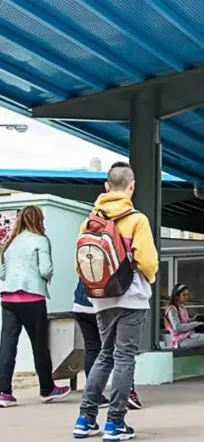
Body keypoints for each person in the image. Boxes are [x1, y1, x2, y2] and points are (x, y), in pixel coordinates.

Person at [72, 162, 158, 440]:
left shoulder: (89, 221)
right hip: (131, 298)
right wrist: (148, 280)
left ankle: (85, 419)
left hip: (101, 299)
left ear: (106, 187)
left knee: (104, 354)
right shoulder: (137, 220)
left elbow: (79, 264)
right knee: (124, 357)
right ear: (132, 187)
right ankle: (115, 423)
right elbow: (148, 262)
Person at [0, 206, 71, 408]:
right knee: (40, 345)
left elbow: (2, 274)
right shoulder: (40, 240)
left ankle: (3, 392)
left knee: (7, 346)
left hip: (8, 299)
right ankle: (47, 389)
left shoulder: (11, 242)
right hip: (32, 299)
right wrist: (47, 276)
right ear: (39, 220)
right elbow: (45, 269)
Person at [72, 279, 143, 410]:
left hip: (82, 303)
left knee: (95, 351)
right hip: (109, 302)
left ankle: (93, 401)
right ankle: (127, 393)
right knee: (122, 353)